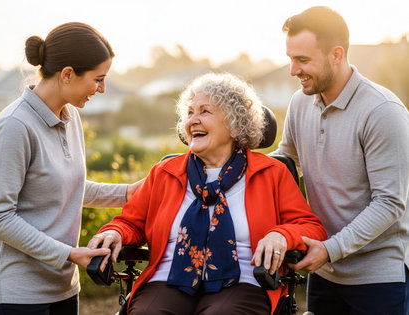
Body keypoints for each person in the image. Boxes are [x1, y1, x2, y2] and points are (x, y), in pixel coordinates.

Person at [88, 72, 327, 315]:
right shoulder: (165, 173)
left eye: (204, 111)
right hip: (169, 278)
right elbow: (131, 222)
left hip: (244, 280)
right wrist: (115, 232)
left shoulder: (271, 173)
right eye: (189, 113)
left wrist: (281, 235)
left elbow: (309, 226)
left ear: (235, 123)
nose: (193, 120)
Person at [0, 22, 143, 315]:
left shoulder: (70, 117)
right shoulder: (15, 126)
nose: (102, 89)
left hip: (63, 286)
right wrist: (69, 254)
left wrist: (131, 192)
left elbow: (68, 186)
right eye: (98, 79)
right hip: (17, 295)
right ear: (67, 74)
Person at [274, 6, 409, 314]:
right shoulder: (300, 103)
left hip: (378, 280)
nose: (293, 70)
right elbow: (285, 161)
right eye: (290, 59)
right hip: (324, 271)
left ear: (336, 54)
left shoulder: (382, 112)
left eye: (302, 60)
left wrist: (329, 250)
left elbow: (390, 202)